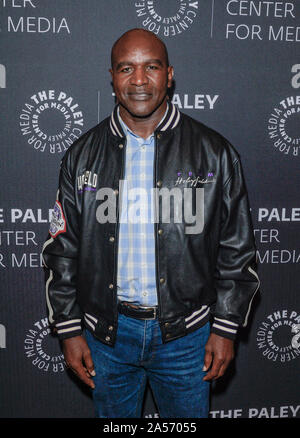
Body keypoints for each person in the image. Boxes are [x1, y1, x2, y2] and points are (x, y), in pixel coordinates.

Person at [42, 28, 259, 418]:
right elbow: (63, 249)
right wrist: (70, 330)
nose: (139, 80)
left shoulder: (215, 152)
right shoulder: (81, 156)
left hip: (186, 337)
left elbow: (236, 249)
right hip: (106, 337)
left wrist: (225, 329)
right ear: (112, 76)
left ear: (169, 74)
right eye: (126, 68)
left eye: (151, 67)